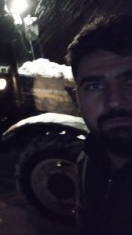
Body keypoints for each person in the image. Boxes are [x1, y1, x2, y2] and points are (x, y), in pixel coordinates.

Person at [66, 15, 132, 235]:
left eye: (130, 81)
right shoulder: (88, 159)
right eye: (94, 86)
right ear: (77, 101)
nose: (114, 100)